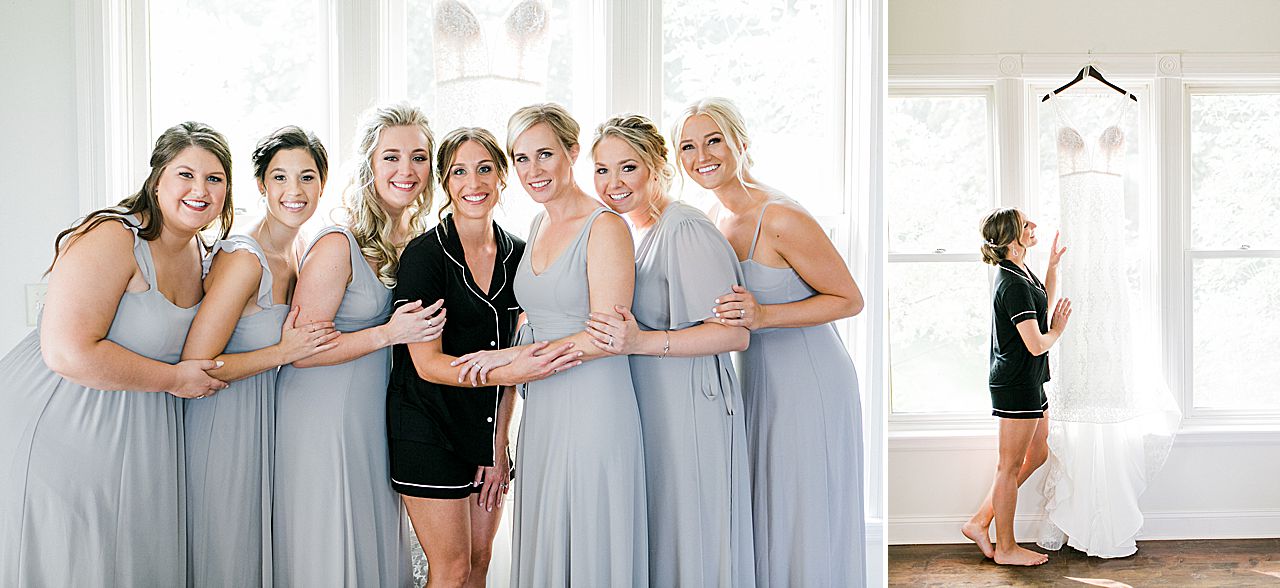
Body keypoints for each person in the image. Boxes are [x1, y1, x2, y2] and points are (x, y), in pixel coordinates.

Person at [0, 122, 234, 585]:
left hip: (138, 424)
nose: (200, 190)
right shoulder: (114, 236)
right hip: (62, 420)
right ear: (156, 180)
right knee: (71, 559)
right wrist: (174, 380)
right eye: (185, 174)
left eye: (214, 179)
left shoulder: (198, 253)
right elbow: (67, 352)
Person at [673, 97, 866, 586]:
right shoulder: (714, 218)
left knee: (805, 511)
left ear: (741, 142)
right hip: (757, 382)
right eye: (688, 146)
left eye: (713, 140)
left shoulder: (780, 216)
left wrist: (763, 315)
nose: (702, 156)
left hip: (810, 380)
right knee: (771, 510)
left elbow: (848, 299)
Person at [454, 103, 647, 586]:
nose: (533, 170)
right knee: (547, 531)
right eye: (520, 158)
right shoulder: (538, 225)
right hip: (543, 408)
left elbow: (607, 337)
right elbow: (530, 320)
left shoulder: (605, 227)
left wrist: (508, 360)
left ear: (572, 152)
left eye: (545, 154)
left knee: (588, 534)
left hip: (593, 404)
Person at [388, 126, 580, 587]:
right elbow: (427, 364)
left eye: (485, 169)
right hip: (427, 428)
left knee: (478, 562)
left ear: (501, 178)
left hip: (486, 429)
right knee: (450, 569)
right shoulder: (425, 257)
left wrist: (497, 443)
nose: (473, 183)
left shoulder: (519, 252)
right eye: (459, 171)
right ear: (444, 182)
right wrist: (509, 366)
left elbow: (510, 365)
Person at [272, 103, 445, 586]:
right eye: (391, 157)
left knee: (369, 535)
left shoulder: (417, 240)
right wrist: (389, 332)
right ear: (369, 163)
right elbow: (300, 351)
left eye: (418, 157)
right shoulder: (337, 241)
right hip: (323, 414)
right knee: (332, 538)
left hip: (373, 413)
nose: (405, 170)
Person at [583, 113, 755, 586]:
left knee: (693, 538)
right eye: (602, 170)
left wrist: (640, 342)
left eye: (628, 167)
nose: (613, 182)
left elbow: (732, 334)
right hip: (657, 407)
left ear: (657, 166)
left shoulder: (684, 227)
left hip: (691, 407)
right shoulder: (637, 232)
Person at [182, 126, 338, 586]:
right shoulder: (244, 258)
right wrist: (282, 352)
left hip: (270, 423)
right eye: (280, 178)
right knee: (227, 556)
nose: (295, 191)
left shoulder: (304, 251)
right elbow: (196, 365)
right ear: (261, 186)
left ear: (322, 185)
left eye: (307, 178)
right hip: (223, 423)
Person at [962, 207, 1071, 566]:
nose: (1034, 225)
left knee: (1037, 453)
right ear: (1012, 238)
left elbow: (1041, 302)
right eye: (1027, 224)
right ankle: (1005, 548)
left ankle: (980, 521)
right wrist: (1057, 330)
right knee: (1008, 467)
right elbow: (1037, 343)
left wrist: (1053, 267)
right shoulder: (1010, 283)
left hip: (1031, 379)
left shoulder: (1020, 272)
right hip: (1016, 383)